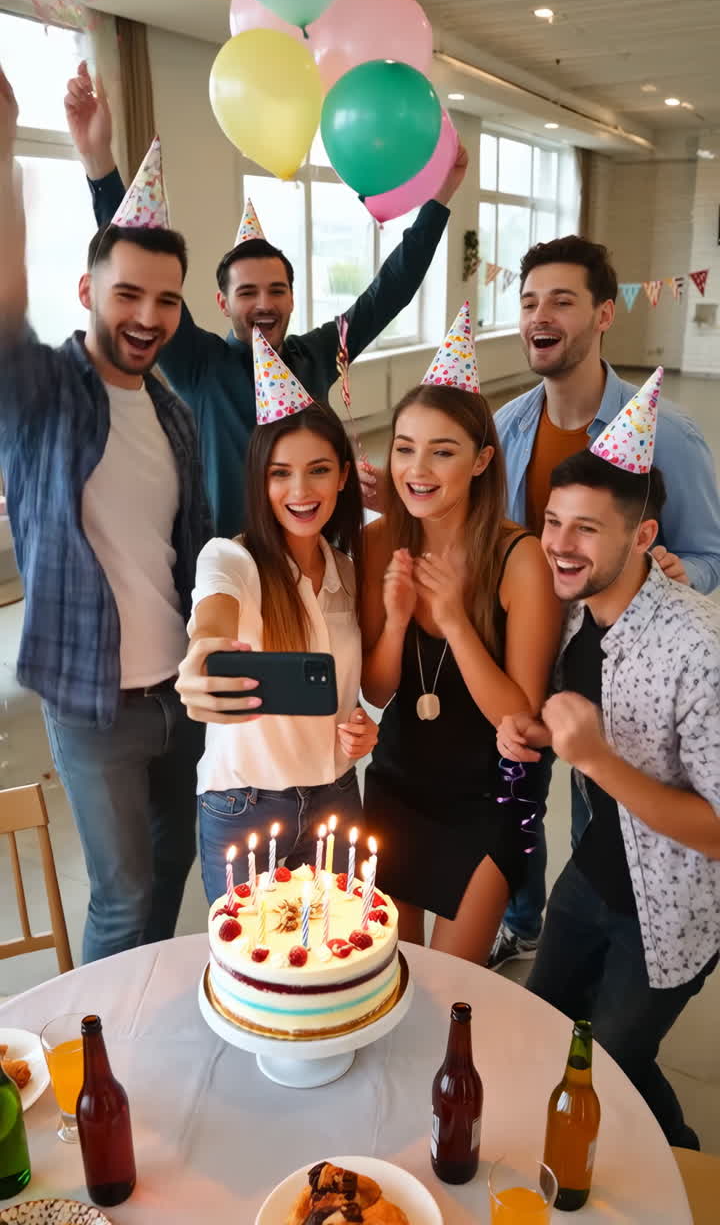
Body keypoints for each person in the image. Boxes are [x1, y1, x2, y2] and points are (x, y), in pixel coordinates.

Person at [64, 61, 469, 534]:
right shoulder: (200, 364)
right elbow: (135, 256)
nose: (264, 304)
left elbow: (390, 290)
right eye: (247, 292)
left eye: (276, 290)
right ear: (223, 304)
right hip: (231, 559)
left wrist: (439, 198)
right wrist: (99, 165)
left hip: (317, 550)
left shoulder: (318, 353)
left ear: (293, 299)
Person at [0, 68, 211, 964]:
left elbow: (184, 557)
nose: (149, 316)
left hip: (183, 698)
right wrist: (5, 148)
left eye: (166, 300)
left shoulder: (172, 413)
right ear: (87, 293)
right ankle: (101, 1066)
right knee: (121, 900)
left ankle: (142, 1027)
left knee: (171, 877)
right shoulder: (45, 392)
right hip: (92, 706)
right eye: (127, 294)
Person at [497, 369, 720, 1149]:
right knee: (551, 1023)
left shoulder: (697, 648)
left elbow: (718, 831)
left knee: (618, 1061)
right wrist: (530, 734)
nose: (560, 545)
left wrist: (594, 759)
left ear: (644, 537)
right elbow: (565, 723)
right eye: (555, 521)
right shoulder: (573, 614)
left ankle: (683, 1165)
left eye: (587, 528)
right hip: (593, 873)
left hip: (673, 906)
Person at [490, 234, 720, 969]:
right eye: (529, 302)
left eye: (562, 299)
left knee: (602, 811)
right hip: (528, 653)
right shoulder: (510, 426)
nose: (540, 315)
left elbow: (711, 553)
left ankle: (622, 936)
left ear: (602, 315)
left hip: (612, 667)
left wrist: (677, 572)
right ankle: (523, 918)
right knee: (516, 788)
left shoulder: (669, 436)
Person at [360, 304, 562, 964]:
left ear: (480, 461)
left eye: (442, 451)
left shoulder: (519, 558)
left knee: (450, 987)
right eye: (405, 449)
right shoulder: (379, 542)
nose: (419, 469)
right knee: (389, 971)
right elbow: (379, 689)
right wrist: (396, 620)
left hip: (485, 798)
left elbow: (521, 716)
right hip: (397, 784)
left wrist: (452, 620)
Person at [175, 329, 377, 900]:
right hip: (244, 807)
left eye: (318, 470)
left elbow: (347, 697)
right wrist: (199, 662)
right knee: (253, 968)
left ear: (342, 475)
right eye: (280, 473)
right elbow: (211, 625)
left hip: (337, 797)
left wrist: (361, 728)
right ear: (260, 481)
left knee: (336, 961)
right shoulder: (231, 558)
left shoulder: (348, 572)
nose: (300, 490)